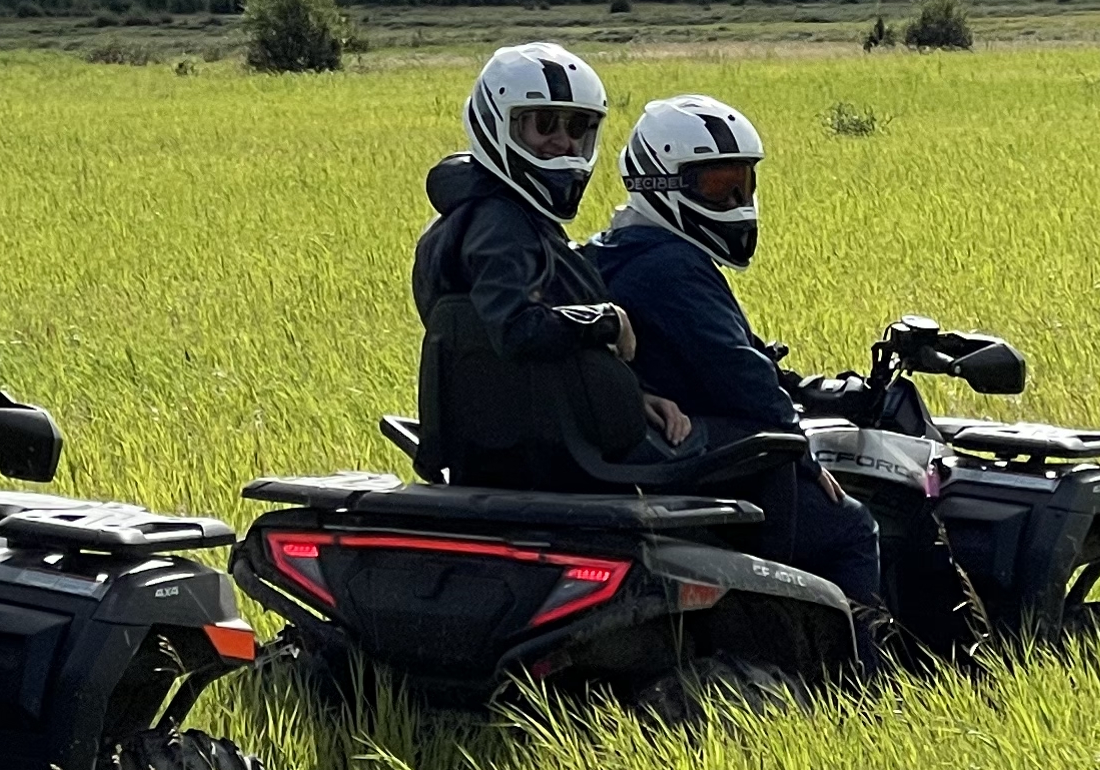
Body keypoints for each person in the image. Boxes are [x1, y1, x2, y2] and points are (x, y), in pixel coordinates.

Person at [586, 92, 990, 675]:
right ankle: (865, 683)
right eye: (716, 186)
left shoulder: (609, 252)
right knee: (852, 527)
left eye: (743, 186)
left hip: (643, 449)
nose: (735, 202)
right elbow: (738, 371)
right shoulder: (672, 265)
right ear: (660, 184)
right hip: (692, 459)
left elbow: (703, 356)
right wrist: (799, 448)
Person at [410, 42, 693, 486]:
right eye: (544, 125)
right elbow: (519, 330)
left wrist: (630, 395)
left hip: (536, 439)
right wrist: (607, 320)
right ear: (499, 125)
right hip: (557, 453)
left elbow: (544, 368)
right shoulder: (499, 223)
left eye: (577, 126)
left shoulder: (495, 213)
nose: (563, 141)